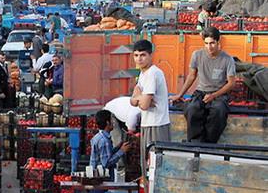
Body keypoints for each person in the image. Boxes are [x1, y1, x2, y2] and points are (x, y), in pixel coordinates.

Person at [169, 27, 235, 143]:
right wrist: (179, 95)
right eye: (206, 43)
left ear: (218, 42)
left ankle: (209, 143)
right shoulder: (197, 55)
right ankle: (195, 142)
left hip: (218, 94)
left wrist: (214, 95)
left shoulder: (227, 59)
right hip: (201, 92)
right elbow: (191, 76)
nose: (209, 47)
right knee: (192, 109)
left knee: (218, 111)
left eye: (212, 43)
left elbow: (231, 83)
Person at [130, 39, 171, 172]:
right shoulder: (143, 74)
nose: (139, 59)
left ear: (150, 55)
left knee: (156, 167)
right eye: (136, 55)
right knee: (147, 166)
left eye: (142, 55)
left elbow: (144, 105)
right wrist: (140, 97)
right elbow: (133, 101)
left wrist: (140, 97)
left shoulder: (153, 73)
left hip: (157, 125)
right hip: (147, 124)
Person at [90, 110, 131, 180]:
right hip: (101, 178)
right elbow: (106, 163)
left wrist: (118, 147)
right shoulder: (104, 141)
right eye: (112, 120)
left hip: (97, 176)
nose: (113, 122)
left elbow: (106, 154)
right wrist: (121, 151)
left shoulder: (99, 137)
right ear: (107, 122)